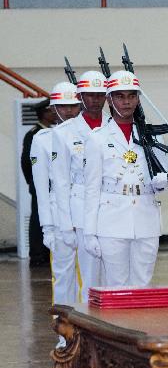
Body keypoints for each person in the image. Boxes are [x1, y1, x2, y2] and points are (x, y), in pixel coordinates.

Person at [83, 70, 168, 287]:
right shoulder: (98, 138)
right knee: (116, 285)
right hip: (111, 220)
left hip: (146, 218)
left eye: (132, 96)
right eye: (120, 96)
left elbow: (161, 175)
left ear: (138, 99)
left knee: (143, 284)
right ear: (109, 99)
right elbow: (92, 188)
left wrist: (162, 183)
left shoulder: (152, 135)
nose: (126, 102)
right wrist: (89, 232)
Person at [52, 70, 107, 300]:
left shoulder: (115, 126)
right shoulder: (64, 132)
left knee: (112, 279)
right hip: (82, 211)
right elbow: (61, 182)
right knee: (89, 279)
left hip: (113, 208)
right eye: (90, 94)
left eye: (100, 94)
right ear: (80, 97)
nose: (95, 99)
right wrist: (66, 225)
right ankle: (87, 323)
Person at [30, 82, 82, 314]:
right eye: (63, 106)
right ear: (53, 109)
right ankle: (63, 326)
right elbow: (41, 189)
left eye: (73, 106)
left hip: (87, 215)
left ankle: (91, 326)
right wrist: (47, 228)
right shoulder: (43, 139)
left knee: (92, 276)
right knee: (63, 276)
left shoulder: (93, 135)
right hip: (59, 218)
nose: (69, 111)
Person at [21, 99, 55, 267]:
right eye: (50, 111)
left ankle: (47, 252)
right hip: (40, 183)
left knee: (50, 217)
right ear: (43, 113)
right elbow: (27, 163)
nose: (54, 113)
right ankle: (37, 254)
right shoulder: (34, 134)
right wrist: (33, 182)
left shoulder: (53, 132)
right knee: (38, 218)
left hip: (52, 184)